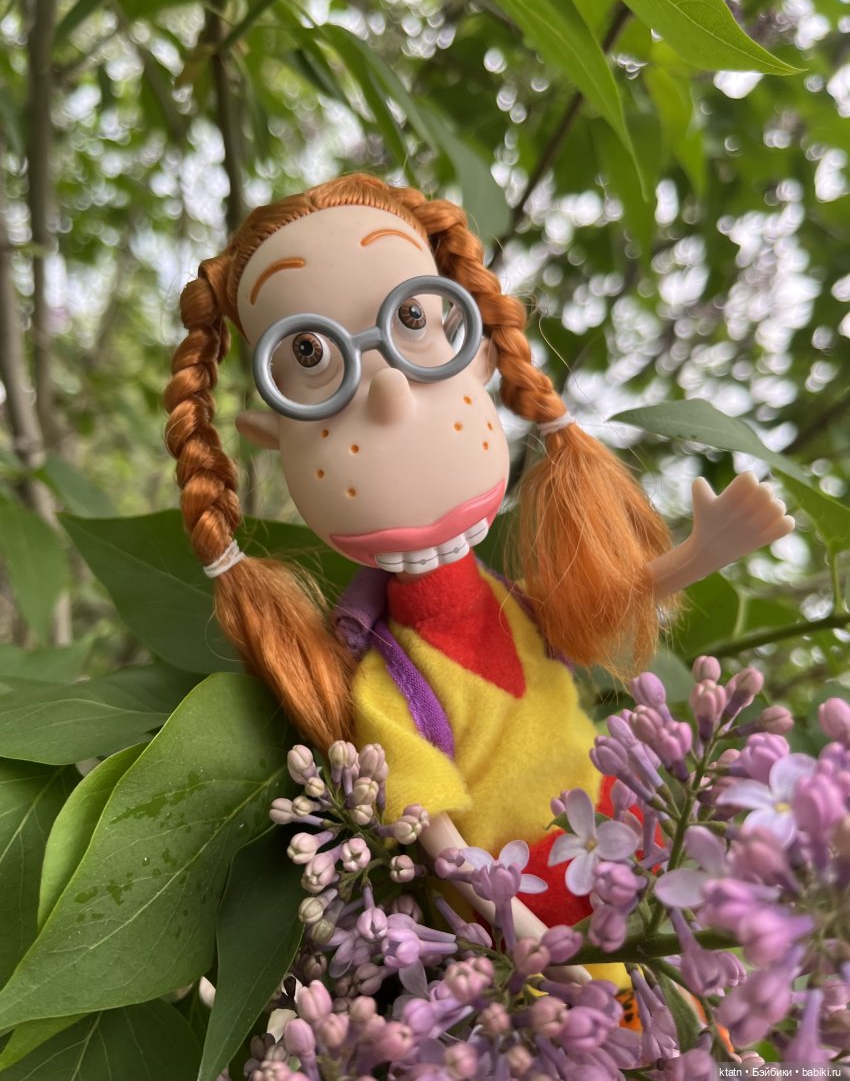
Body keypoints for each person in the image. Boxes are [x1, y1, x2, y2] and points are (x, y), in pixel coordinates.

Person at [165, 173, 792, 943]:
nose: (389, 391)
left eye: (413, 318)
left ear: (481, 358)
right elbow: (432, 825)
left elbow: (595, 609)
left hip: (633, 841)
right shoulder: (389, 686)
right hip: (533, 913)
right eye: (310, 353)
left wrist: (700, 552)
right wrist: (517, 928)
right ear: (270, 434)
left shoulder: (509, 603)